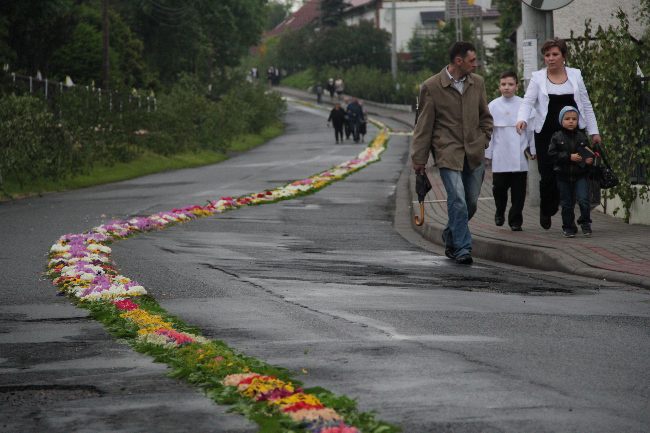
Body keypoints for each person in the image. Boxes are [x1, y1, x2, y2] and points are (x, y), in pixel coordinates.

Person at [411, 41, 493, 265]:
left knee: (471, 203)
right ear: (459, 61)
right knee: (457, 200)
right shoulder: (432, 86)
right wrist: (419, 159)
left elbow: (485, 116)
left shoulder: (478, 83)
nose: (476, 65)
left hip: (474, 152)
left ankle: (450, 235)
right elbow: (423, 125)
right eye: (472, 60)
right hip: (448, 152)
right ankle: (463, 248)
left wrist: (484, 139)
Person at [515, 37, 601, 230]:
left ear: (563, 56)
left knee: (575, 171)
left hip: (573, 132)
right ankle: (547, 208)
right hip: (546, 132)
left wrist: (593, 131)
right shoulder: (538, 77)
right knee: (547, 175)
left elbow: (586, 104)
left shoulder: (575, 75)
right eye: (547, 55)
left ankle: (570, 214)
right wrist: (521, 119)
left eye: (555, 54)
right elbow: (528, 102)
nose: (551, 58)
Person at [486, 71, 535, 231]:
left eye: (510, 84)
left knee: (519, 192)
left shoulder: (524, 105)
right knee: (498, 188)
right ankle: (499, 211)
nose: (506, 88)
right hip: (500, 155)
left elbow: (531, 131)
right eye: (503, 84)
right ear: (499, 86)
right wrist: (488, 153)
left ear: (516, 86)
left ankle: (515, 220)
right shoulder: (492, 106)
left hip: (519, 156)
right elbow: (490, 133)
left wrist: (533, 149)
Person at [548, 106, 596, 237]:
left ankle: (585, 223)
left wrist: (588, 161)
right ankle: (568, 227)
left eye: (574, 119)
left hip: (580, 175)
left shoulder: (582, 137)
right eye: (567, 118)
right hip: (563, 176)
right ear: (561, 121)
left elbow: (588, 154)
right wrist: (569, 157)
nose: (571, 121)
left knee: (584, 200)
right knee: (567, 203)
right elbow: (552, 155)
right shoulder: (557, 137)